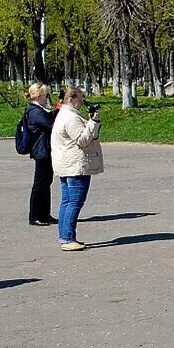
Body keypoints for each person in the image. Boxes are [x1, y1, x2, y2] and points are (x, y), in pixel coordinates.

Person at [51, 86, 103, 251]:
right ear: (71, 99)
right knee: (75, 201)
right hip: (76, 165)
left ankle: (65, 236)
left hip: (66, 164)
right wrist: (93, 122)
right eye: (79, 100)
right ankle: (68, 239)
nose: (82, 103)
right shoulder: (71, 118)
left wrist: (91, 123)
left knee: (67, 201)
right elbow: (82, 140)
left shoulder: (64, 114)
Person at [22, 83, 57, 226]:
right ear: (38, 96)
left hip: (44, 149)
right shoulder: (35, 111)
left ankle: (44, 214)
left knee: (46, 182)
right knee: (40, 183)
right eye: (45, 95)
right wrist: (57, 113)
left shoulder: (38, 110)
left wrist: (55, 111)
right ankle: (35, 216)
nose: (47, 98)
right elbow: (51, 126)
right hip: (41, 150)